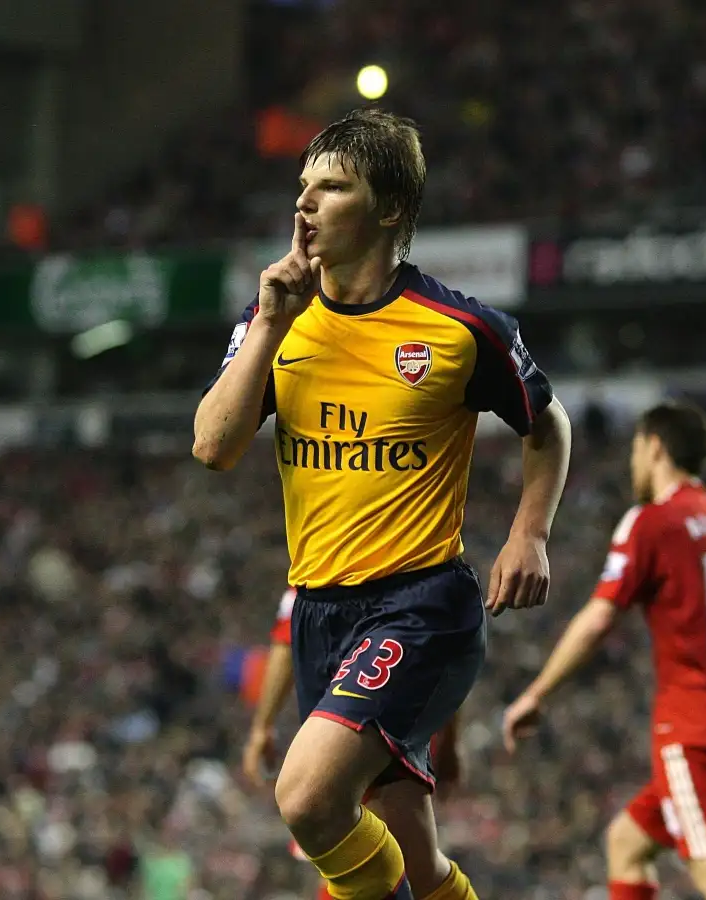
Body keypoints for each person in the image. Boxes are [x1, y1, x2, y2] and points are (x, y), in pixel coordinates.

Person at [194, 107, 571, 900]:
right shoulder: (274, 323)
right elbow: (213, 447)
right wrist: (269, 320)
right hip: (319, 614)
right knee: (417, 865)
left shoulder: (460, 327)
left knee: (308, 799)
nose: (305, 204)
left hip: (419, 604)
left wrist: (529, 533)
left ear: (389, 209)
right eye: (303, 187)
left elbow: (549, 423)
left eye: (332, 187)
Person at [501, 400, 706, 900]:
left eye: (635, 449)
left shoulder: (652, 520)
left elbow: (598, 618)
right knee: (626, 843)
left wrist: (538, 692)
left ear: (654, 447)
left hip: (692, 729)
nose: (633, 463)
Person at [243, 587, 464, 900]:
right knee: (417, 868)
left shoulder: (333, 562)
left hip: (357, 722)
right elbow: (447, 648)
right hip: (390, 716)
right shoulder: (411, 568)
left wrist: (262, 728)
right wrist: (450, 741)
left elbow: (286, 637)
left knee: (350, 849)